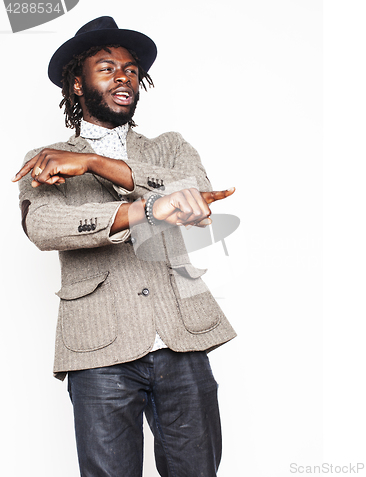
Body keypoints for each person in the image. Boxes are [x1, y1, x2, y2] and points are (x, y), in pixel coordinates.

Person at [12, 16, 236, 477]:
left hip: (182, 339)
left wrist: (95, 162)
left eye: (131, 69)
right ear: (78, 84)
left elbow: (196, 196)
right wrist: (144, 211)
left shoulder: (169, 147)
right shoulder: (48, 157)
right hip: (98, 352)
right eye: (108, 67)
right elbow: (45, 226)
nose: (124, 77)